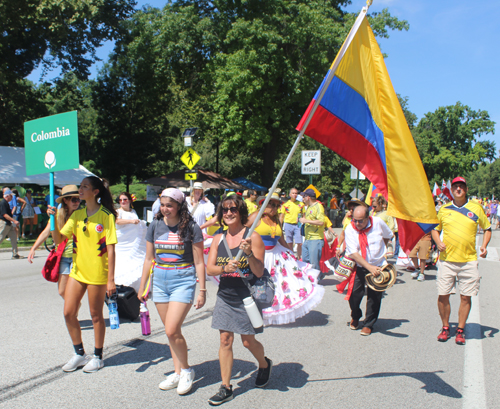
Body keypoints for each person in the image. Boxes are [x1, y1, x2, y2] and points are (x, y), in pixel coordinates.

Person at [138, 188, 206, 395]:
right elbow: (149, 258)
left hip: (183, 279)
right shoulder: (155, 225)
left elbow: (199, 262)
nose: (166, 209)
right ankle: (177, 372)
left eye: (170, 205)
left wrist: (202, 290)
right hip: (159, 280)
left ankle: (186, 371)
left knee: (171, 329)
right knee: (171, 332)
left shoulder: (191, 227)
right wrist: (142, 287)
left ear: (179, 206)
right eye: (163, 205)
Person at [206, 194, 271, 405]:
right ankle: (226, 387)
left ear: (240, 212)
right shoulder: (218, 238)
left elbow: (259, 272)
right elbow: (210, 268)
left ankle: (263, 364)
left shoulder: (253, 237)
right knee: (225, 340)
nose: (228, 213)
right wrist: (225, 268)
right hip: (225, 295)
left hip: (247, 297)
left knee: (247, 341)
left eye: (232, 209)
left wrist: (249, 254)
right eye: (224, 210)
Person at [52, 176, 118, 373]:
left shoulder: (106, 216)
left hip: (98, 273)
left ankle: (98, 356)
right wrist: (52, 219)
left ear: (95, 192)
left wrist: (111, 280)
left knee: (96, 315)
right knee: (68, 312)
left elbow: (112, 249)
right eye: (80, 187)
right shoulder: (77, 214)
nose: (80, 190)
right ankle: (79, 353)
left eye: (84, 187)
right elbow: (58, 239)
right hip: (77, 272)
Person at [247, 193, 324, 325]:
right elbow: (243, 231)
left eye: (277, 205)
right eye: (272, 204)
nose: (275, 208)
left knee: (277, 285)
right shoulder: (256, 217)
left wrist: (290, 253)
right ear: (263, 204)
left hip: (276, 255)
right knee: (257, 284)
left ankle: (268, 313)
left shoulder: (276, 220)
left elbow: (281, 238)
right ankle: (253, 313)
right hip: (259, 255)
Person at [431, 177, 491, 345]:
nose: (458, 189)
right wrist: (438, 242)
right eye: (456, 186)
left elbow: (487, 229)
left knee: (466, 297)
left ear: (465, 189)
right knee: (443, 295)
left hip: (468, 261)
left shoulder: (476, 208)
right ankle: (445, 327)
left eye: (461, 186)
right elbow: (435, 230)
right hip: (446, 261)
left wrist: (484, 246)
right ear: (452, 190)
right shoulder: (443, 209)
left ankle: (460, 329)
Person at [345, 204, 393, 336]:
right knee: (354, 295)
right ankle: (356, 315)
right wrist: (369, 267)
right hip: (360, 266)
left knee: (374, 296)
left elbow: (388, 235)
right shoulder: (350, 229)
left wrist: (383, 250)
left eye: (361, 220)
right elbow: (354, 253)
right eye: (355, 220)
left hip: (378, 265)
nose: (357, 223)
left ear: (368, 217)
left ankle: (369, 323)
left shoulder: (377, 222)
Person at [28, 185, 81, 298]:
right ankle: (74, 307)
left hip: (78, 257)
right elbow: (45, 232)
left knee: (73, 290)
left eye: (78, 199)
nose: (77, 202)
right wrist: (33, 248)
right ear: (65, 200)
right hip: (63, 257)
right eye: (74, 199)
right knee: (62, 291)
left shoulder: (82, 215)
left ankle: (72, 311)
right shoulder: (56, 216)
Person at [114, 192, 147, 292]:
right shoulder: (117, 211)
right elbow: (117, 221)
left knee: (135, 264)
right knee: (121, 264)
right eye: (120, 200)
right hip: (122, 243)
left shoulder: (133, 211)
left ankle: (135, 288)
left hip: (133, 241)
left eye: (125, 199)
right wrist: (131, 222)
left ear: (129, 200)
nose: (123, 202)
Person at [299, 189, 325, 272]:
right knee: (305, 261)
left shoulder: (318, 206)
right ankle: (309, 279)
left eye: (304, 196)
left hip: (315, 239)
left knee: (314, 264)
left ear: (308, 197)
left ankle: (316, 280)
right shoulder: (309, 207)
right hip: (308, 238)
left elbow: (321, 222)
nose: (303, 198)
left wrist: (306, 221)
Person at [280, 188, 305, 259]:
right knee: (289, 242)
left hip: (298, 225)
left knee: (299, 243)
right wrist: (280, 226)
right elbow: (282, 217)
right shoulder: (286, 204)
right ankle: (292, 256)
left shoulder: (301, 204)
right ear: (290, 194)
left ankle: (299, 256)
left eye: (296, 193)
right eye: (293, 193)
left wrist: (302, 222)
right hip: (288, 224)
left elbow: (303, 215)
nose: (295, 195)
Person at [0, 189, 23, 259]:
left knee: (14, 239)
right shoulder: (3, 203)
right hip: (4, 224)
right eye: (11, 196)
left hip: (9, 224)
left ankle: (15, 254)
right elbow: (4, 215)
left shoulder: (6, 203)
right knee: (0, 238)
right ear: (7, 196)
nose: (12, 197)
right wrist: (14, 221)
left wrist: (12, 222)